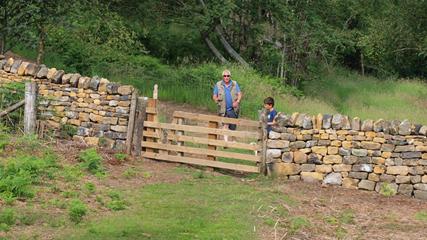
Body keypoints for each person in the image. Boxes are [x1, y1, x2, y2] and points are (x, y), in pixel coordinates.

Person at [213, 69, 242, 141]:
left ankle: (234, 141)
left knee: (233, 126)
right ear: (223, 77)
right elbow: (214, 95)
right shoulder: (218, 84)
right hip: (223, 109)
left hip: (232, 109)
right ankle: (225, 142)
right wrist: (216, 100)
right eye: (225, 76)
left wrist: (237, 101)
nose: (226, 77)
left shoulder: (234, 83)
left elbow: (239, 94)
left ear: (230, 76)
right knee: (225, 125)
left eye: (228, 76)